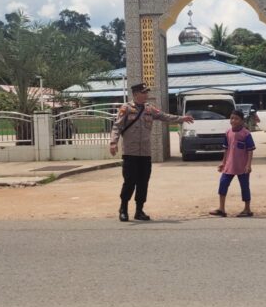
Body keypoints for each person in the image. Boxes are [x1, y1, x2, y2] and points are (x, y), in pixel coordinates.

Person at [109, 83, 194, 222]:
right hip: (130, 153)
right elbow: (117, 126)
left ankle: (139, 210)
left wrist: (182, 118)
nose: (146, 95)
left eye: (146, 92)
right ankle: (123, 208)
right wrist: (113, 142)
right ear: (136, 94)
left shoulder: (149, 109)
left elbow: (164, 116)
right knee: (129, 182)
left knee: (143, 182)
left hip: (145, 154)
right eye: (144, 92)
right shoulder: (126, 108)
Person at [210, 110, 255, 218]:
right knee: (223, 184)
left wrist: (248, 165)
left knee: (244, 187)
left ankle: (247, 209)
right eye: (231, 118)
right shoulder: (228, 132)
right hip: (229, 165)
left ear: (242, 121)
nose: (233, 121)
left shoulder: (246, 134)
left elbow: (250, 150)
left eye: (236, 118)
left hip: (242, 166)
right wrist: (223, 163)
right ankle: (221, 209)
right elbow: (226, 149)